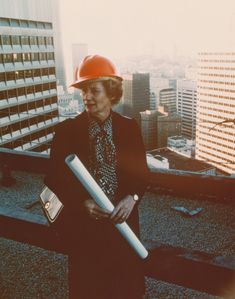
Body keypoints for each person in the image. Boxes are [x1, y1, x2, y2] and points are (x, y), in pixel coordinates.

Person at [45, 55, 149, 299]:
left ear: (111, 93)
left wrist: (132, 198)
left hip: (122, 232)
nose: (86, 97)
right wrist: (81, 205)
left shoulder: (129, 128)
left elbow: (141, 175)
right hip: (86, 237)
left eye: (94, 90)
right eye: (84, 90)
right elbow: (52, 183)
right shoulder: (66, 133)